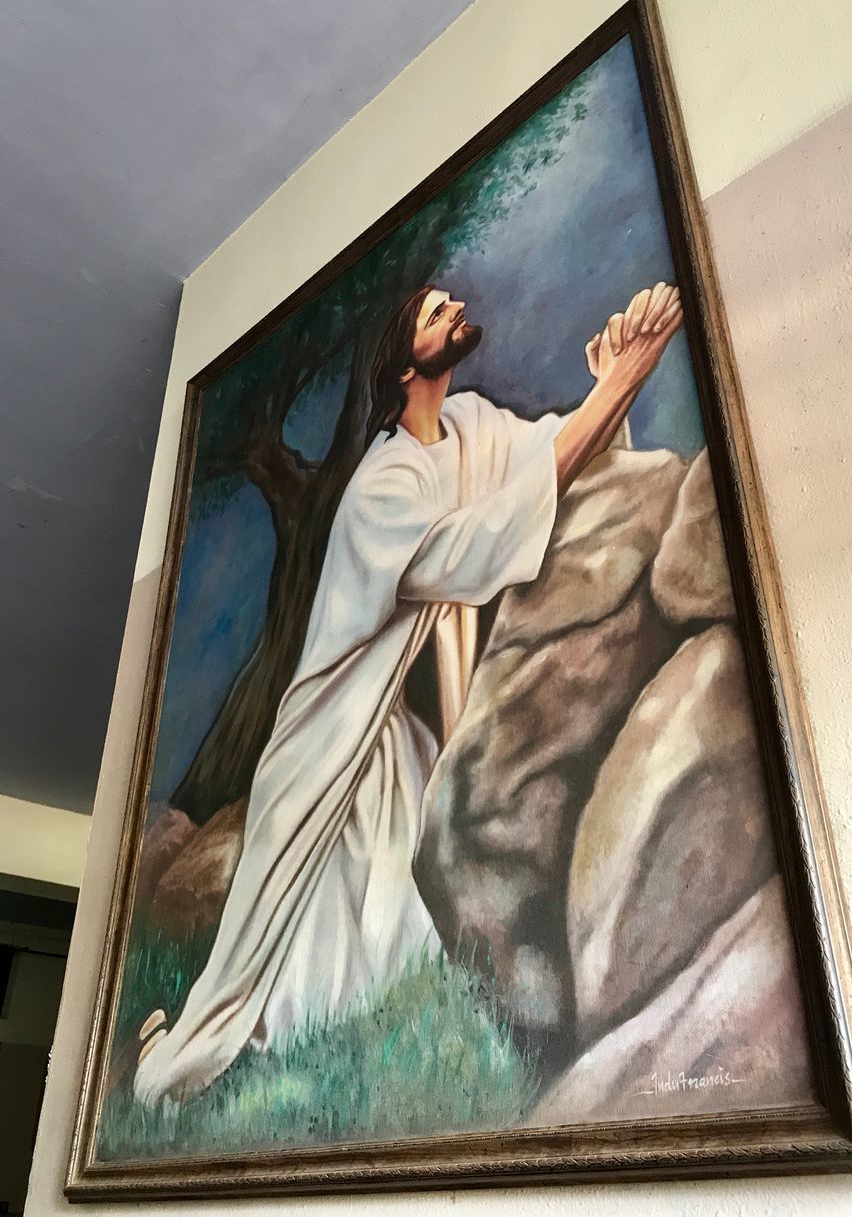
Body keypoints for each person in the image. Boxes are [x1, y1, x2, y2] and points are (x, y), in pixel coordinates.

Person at [133, 279, 684, 1108]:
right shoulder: (380, 486)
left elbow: (546, 462)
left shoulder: (468, 431)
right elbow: (474, 545)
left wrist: (608, 391)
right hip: (329, 747)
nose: (455, 310)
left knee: (405, 936)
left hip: (391, 744)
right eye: (436, 312)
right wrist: (616, 388)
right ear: (402, 365)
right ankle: (181, 1065)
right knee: (280, 965)